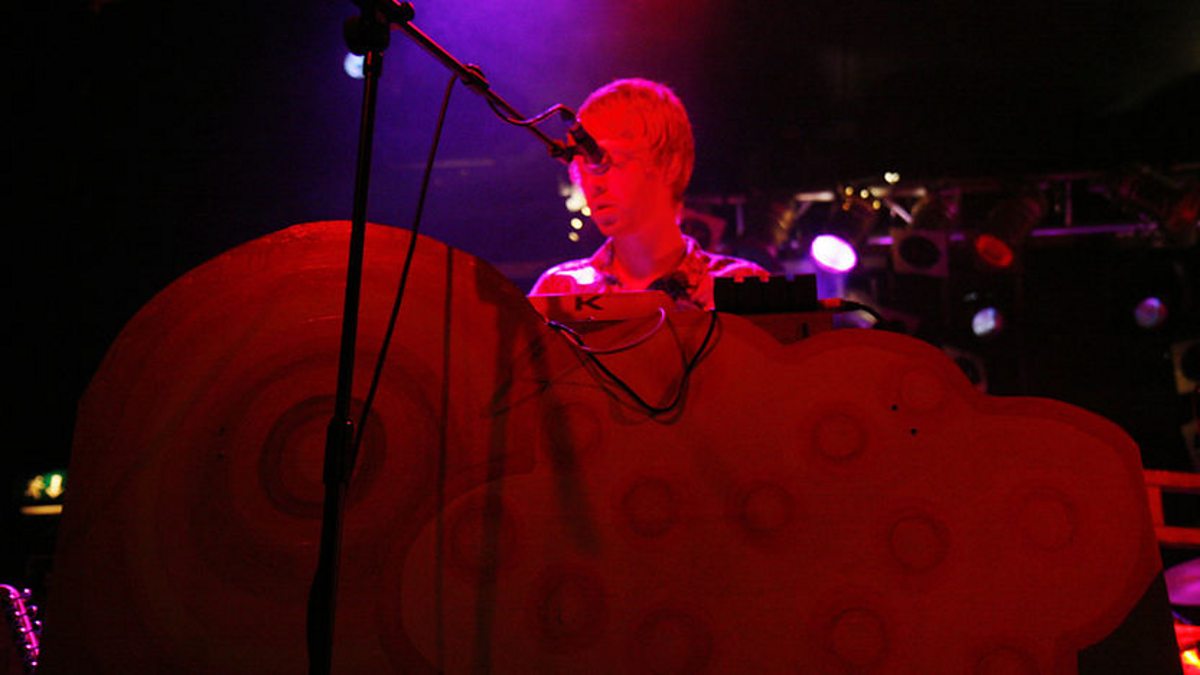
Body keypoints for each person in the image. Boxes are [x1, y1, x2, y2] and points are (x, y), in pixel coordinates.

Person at [529, 78, 767, 310]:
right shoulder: (559, 291)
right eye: (583, 167)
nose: (593, 184)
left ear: (669, 164)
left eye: (604, 160)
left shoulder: (743, 287)